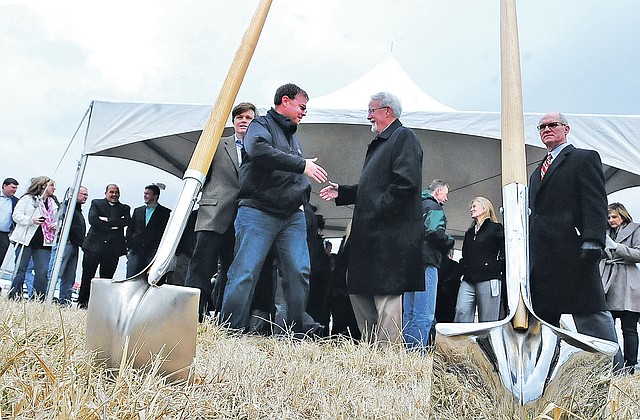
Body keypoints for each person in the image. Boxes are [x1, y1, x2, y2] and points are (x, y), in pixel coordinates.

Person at [220, 84, 328, 334]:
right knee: (245, 271)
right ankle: (229, 330)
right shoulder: (260, 125)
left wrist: (302, 201)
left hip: (291, 216)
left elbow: (296, 174)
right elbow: (257, 149)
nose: (304, 112)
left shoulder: (294, 137)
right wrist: (302, 166)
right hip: (257, 211)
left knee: (299, 272)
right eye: (302, 107)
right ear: (286, 101)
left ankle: (294, 333)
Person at [320, 91, 423, 347]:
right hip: (370, 235)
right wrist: (343, 192)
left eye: (371, 110)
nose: (368, 116)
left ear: (387, 111)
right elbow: (373, 188)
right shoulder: (383, 143)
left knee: (386, 297)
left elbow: (405, 184)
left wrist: (376, 211)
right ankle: (370, 354)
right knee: (358, 290)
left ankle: (386, 360)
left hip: (387, 236)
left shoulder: (403, 137)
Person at [528, 112, 623, 370]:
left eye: (552, 125)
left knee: (590, 312)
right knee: (544, 317)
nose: (547, 129)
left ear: (566, 129)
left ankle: (614, 367)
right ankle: (547, 369)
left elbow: (595, 201)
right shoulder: (536, 172)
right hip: (543, 256)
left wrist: (593, 239)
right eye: (542, 127)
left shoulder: (583, 158)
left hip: (574, 249)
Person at [184, 102, 257, 320]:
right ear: (233, 122)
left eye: (249, 118)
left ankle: (225, 316)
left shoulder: (259, 149)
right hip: (213, 215)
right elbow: (198, 171)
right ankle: (192, 315)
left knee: (233, 270)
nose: (244, 121)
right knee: (201, 266)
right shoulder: (216, 145)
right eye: (239, 117)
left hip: (244, 218)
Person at [403, 179, 454, 349]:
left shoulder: (413, 205)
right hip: (427, 261)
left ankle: (405, 353)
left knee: (409, 313)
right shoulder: (434, 207)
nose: (446, 199)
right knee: (424, 314)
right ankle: (416, 355)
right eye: (445, 194)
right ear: (438, 191)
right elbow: (434, 231)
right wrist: (449, 241)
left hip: (409, 263)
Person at [601, 202, 640, 374]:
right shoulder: (605, 233)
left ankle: (630, 366)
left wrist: (617, 247)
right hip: (607, 282)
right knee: (605, 328)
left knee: (629, 328)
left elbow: (639, 254)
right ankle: (611, 367)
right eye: (608, 217)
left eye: (614, 217)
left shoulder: (636, 230)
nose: (611, 220)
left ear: (623, 216)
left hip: (628, 284)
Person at [77, 184, 131, 308]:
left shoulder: (124, 208)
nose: (114, 195)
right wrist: (115, 224)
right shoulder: (96, 203)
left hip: (113, 250)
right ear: (106, 193)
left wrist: (106, 220)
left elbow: (127, 221)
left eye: (117, 192)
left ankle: (99, 307)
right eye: (111, 192)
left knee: (106, 281)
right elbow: (93, 220)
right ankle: (82, 303)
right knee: (87, 277)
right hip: (93, 247)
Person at [454, 196, 505, 323]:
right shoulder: (469, 233)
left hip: (489, 277)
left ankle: (486, 343)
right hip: (469, 279)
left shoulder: (496, 228)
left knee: (488, 320)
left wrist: (497, 267)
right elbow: (465, 256)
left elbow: (506, 250)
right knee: (461, 310)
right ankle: (463, 342)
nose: (471, 209)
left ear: (485, 208)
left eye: (474, 206)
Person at [8, 176, 59, 300]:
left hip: (44, 241)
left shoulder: (54, 203)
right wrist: (31, 220)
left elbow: (58, 219)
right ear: (43, 186)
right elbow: (16, 215)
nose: (54, 188)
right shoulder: (28, 199)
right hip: (26, 239)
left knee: (42, 271)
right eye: (51, 185)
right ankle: (14, 295)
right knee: (21, 268)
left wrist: (56, 225)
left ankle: (38, 298)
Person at [50, 186, 89, 306]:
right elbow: (62, 222)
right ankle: (47, 296)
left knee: (69, 275)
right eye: (83, 194)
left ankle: (65, 301)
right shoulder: (67, 207)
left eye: (86, 195)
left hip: (75, 244)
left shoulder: (77, 210)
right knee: (56, 272)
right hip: (66, 242)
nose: (85, 197)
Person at [126, 184, 171, 277]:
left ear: (155, 196)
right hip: (136, 250)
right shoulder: (138, 210)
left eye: (147, 194)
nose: (145, 196)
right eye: (144, 193)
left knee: (149, 278)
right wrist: (129, 247)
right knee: (131, 277)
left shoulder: (165, 213)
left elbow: (166, 232)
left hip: (153, 252)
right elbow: (130, 229)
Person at [435, 248, 462, 323]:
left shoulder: (436, 267)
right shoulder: (456, 266)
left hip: (437, 303)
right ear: (450, 254)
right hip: (451, 304)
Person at [0, 177, 19, 264]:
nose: (14, 190)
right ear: (5, 186)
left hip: (4, 235)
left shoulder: (16, 201)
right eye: (13, 187)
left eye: (16, 188)